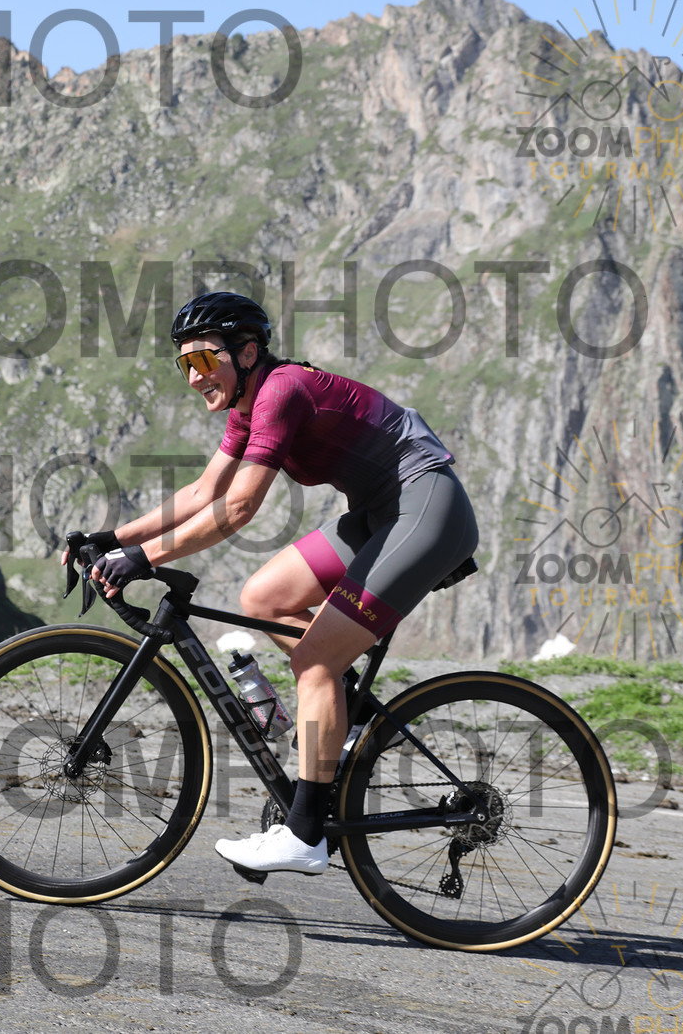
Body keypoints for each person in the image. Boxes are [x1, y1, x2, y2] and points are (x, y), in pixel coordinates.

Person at [71, 290, 480, 876]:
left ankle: (305, 835)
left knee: (314, 661)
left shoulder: (282, 390)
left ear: (247, 352)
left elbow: (238, 508)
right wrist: (113, 538)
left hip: (425, 507)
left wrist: (144, 558)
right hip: (379, 514)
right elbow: (203, 492)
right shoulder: (249, 404)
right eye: (185, 365)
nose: (194, 377)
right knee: (264, 598)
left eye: (204, 360)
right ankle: (355, 716)